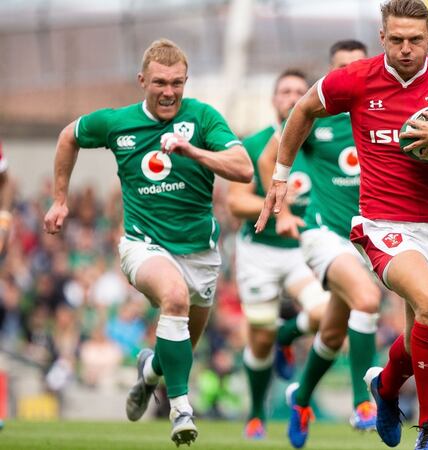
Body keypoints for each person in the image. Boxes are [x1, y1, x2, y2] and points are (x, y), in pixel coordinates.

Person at [257, 1, 428, 448]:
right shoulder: (356, 79)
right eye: (397, 39)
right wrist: (279, 179)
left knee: (423, 330)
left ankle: (384, 389)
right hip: (382, 224)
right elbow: (303, 110)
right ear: (382, 37)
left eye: (416, 40)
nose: (407, 49)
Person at [43, 39, 253, 446]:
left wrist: (193, 151)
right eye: (160, 82)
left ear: (186, 81)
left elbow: (242, 169)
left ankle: (150, 372)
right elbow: (69, 136)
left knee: (180, 349)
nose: (169, 91)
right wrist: (59, 199)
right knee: (173, 298)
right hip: (144, 245)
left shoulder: (204, 118)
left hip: (201, 252)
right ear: (142, 80)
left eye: (177, 82)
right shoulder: (117, 122)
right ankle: (180, 412)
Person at [259, 40, 381, 448]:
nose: (348, 74)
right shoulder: (317, 114)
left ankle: (301, 397)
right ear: (331, 72)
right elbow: (270, 154)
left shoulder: (381, 113)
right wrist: (280, 203)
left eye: (356, 66)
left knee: (331, 332)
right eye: (340, 68)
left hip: (372, 239)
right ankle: (364, 402)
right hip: (324, 233)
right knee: (366, 300)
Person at [226, 69, 331, 440]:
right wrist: (276, 206)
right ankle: (255, 414)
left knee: (324, 315)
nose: (291, 98)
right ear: (274, 101)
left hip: (303, 249)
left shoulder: (322, 144)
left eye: (299, 92)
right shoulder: (255, 145)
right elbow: (235, 200)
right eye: (284, 92)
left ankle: (289, 335)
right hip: (260, 251)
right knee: (260, 337)